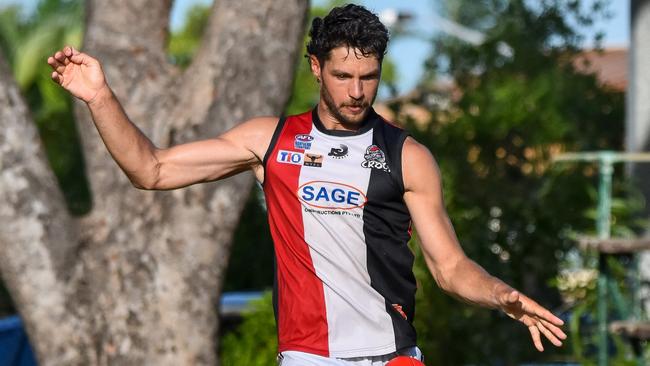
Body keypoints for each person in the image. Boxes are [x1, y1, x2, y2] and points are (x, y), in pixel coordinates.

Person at [48, 4, 566, 365]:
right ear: (317, 68)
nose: (357, 91)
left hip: (393, 357)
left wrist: (501, 295)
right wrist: (99, 97)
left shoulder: (407, 157)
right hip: (308, 357)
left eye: (369, 76)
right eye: (343, 76)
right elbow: (151, 170)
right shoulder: (268, 141)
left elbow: (450, 268)